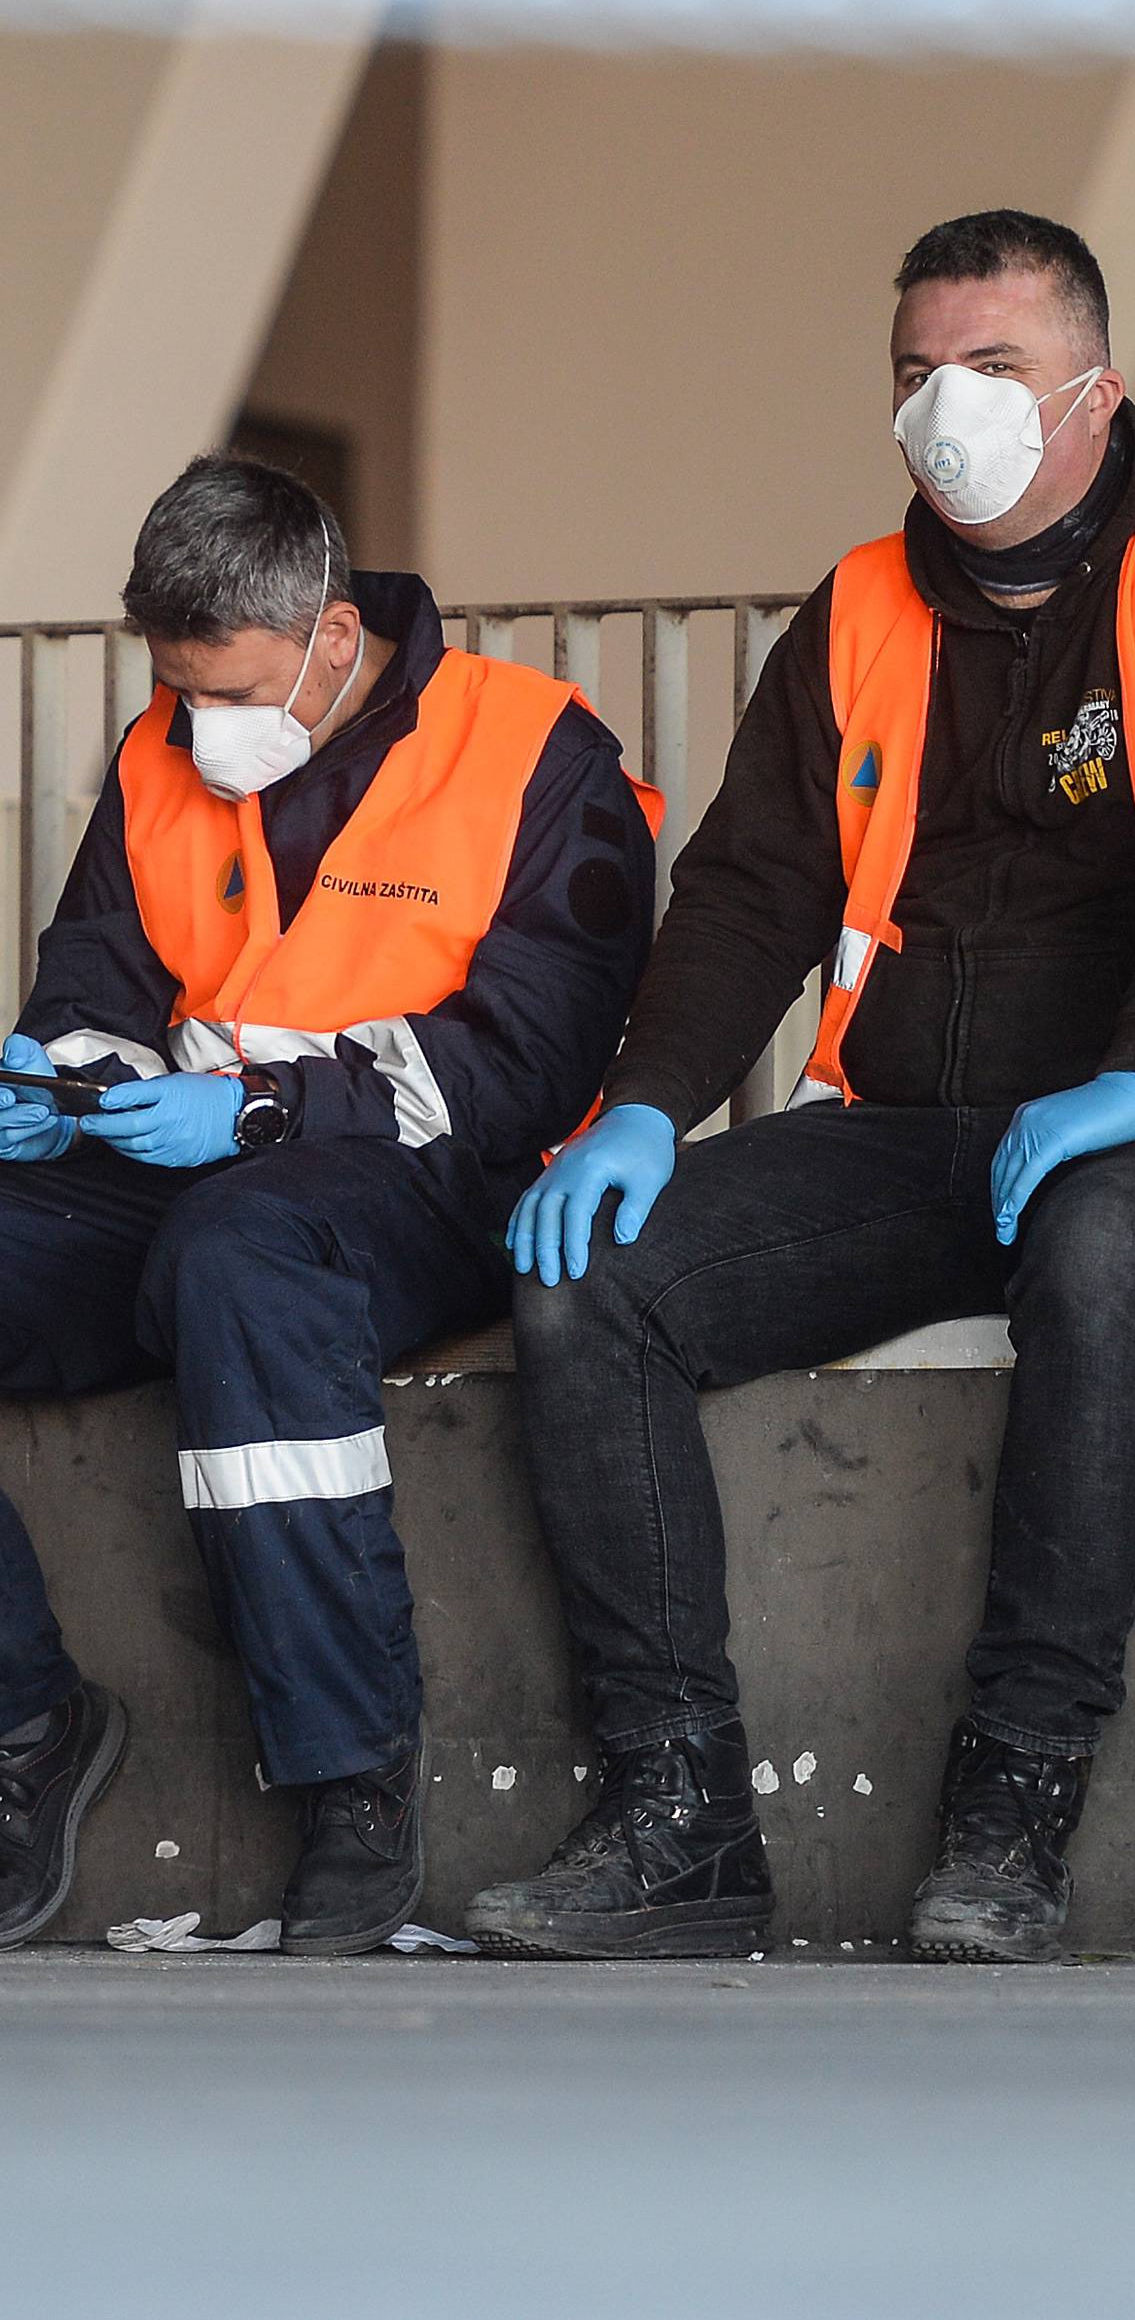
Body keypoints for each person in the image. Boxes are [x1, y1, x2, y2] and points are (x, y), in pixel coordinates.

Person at [468, 207, 1135, 1964]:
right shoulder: (855, 609)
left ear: (1096, 392)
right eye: (917, 374)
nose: (945, 407)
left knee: (1103, 1240)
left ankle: (1015, 1802)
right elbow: (753, 890)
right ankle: (682, 1819)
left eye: (992, 369)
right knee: (584, 1272)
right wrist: (638, 1106)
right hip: (938, 1141)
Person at [0, 454, 656, 1954]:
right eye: (175, 688)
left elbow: (529, 1062)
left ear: (335, 639)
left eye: (223, 688)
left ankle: (349, 1774)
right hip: (177, 1170)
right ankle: (24, 1724)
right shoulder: (165, 745)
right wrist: (59, 1079)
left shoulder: (537, 753)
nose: (196, 725)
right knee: (208, 1231)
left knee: (247, 1258)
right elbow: (101, 973)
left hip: (423, 1179)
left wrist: (263, 1106)